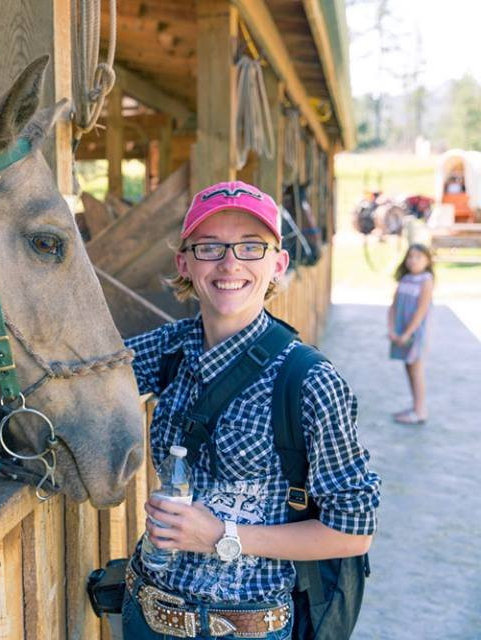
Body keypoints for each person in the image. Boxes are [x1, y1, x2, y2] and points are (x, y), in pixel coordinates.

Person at [122, 181, 381, 640]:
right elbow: (77, 375)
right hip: (144, 612)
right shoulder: (170, 349)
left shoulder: (309, 381)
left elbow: (353, 532)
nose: (230, 263)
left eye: (250, 247)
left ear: (278, 263)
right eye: (209, 247)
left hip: (243, 628)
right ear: (184, 262)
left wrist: (221, 535)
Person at [388, 243, 434, 425]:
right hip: (401, 332)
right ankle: (415, 406)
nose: (413, 260)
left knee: (416, 369)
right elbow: (393, 306)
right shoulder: (405, 279)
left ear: (427, 260)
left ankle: (420, 411)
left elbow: (421, 312)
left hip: (415, 333)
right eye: (410, 256)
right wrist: (392, 329)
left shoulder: (426, 280)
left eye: (418, 257)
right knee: (408, 367)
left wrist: (407, 333)